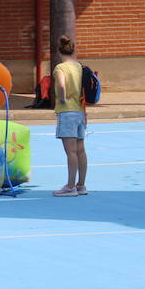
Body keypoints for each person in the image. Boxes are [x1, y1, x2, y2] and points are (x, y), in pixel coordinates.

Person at [52, 36, 88, 197]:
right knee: (81, 150)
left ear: (59, 50)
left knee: (71, 151)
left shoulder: (60, 68)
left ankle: (70, 186)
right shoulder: (79, 66)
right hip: (80, 110)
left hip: (67, 112)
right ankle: (81, 185)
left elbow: (60, 84)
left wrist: (62, 98)